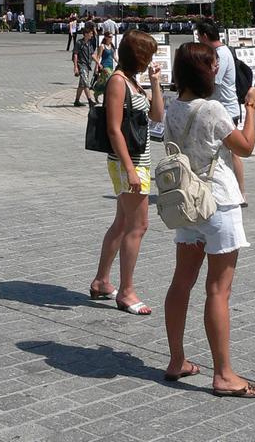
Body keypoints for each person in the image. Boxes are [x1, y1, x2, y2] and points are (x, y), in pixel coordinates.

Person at [162, 42, 255, 397]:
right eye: (214, 64)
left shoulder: (173, 108)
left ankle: (177, 359)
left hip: (187, 203)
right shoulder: (213, 109)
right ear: (205, 72)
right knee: (218, 290)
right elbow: (245, 147)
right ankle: (224, 374)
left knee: (181, 283)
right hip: (218, 202)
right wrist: (250, 108)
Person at [90, 30, 163, 315]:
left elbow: (157, 117)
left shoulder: (134, 81)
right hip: (128, 162)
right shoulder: (118, 81)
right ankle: (127, 291)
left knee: (122, 223)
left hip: (137, 161)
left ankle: (101, 281)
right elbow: (113, 128)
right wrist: (131, 169)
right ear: (138, 55)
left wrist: (155, 83)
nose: (151, 60)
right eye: (149, 55)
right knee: (138, 226)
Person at [196, 20, 247, 205]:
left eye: (199, 36)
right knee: (221, 152)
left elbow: (213, 81)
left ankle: (241, 193)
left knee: (234, 153)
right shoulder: (219, 52)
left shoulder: (222, 54)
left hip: (227, 109)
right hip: (220, 108)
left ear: (204, 36)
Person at [72, 21, 98, 107]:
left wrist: (98, 62)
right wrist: (75, 67)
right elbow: (75, 54)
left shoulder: (89, 44)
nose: (92, 35)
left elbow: (92, 54)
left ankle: (76, 101)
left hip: (87, 66)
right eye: (90, 33)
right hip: (81, 65)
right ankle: (90, 100)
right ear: (86, 34)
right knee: (86, 82)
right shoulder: (79, 43)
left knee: (82, 84)